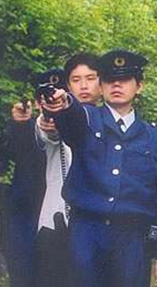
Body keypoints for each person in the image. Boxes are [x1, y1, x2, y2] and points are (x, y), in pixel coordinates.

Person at [42, 49, 157, 287]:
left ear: (139, 86)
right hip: (87, 234)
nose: (116, 84)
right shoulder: (87, 119)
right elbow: (71, 116)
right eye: (109, 80)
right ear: (101, 86)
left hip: (132, 238)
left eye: (124, 79)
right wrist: (61, 104)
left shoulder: (154, 136)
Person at [33, 53, 102, 287]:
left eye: (90, 78)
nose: (84, 86)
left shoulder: (110, 120)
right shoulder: (59, 117)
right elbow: (48, 131)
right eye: (76, 79)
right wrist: (49, 119)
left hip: (98, 223)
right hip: (58, 220)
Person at [0, 69, 67, 287]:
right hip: (26, 219)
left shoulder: (80, 130)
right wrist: (19, 124)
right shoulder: (26, 128)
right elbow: (4, 159)